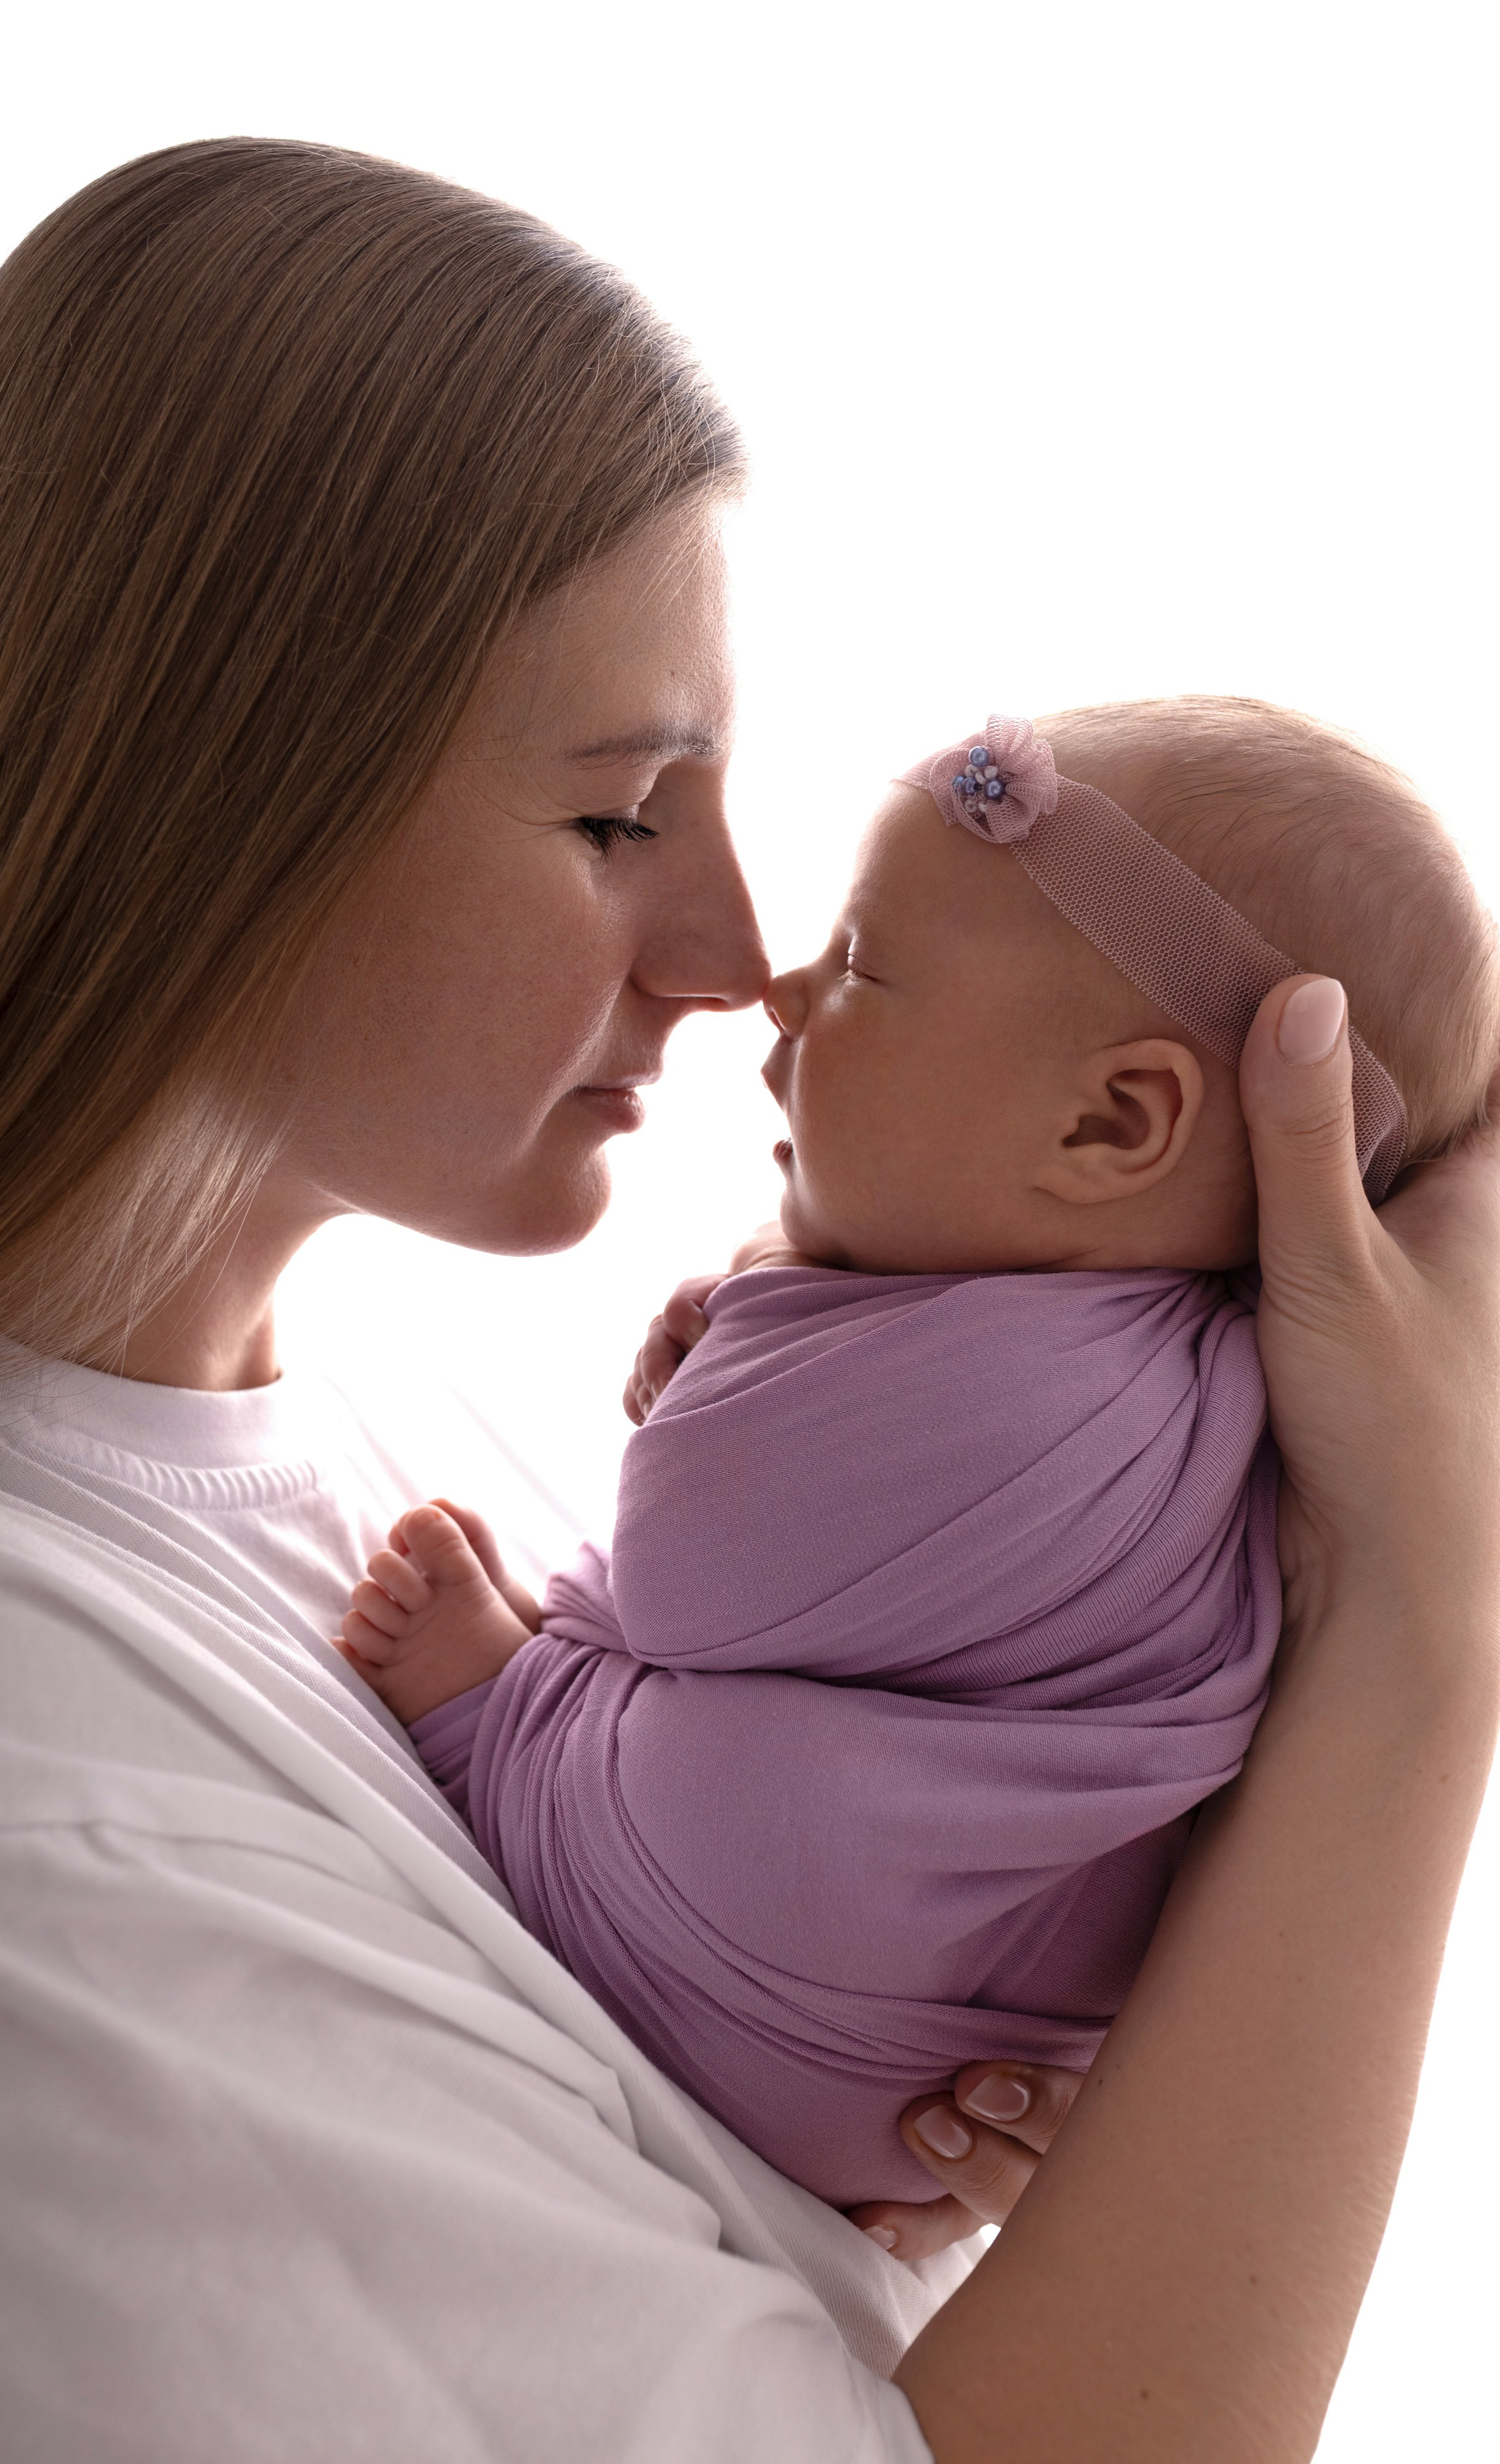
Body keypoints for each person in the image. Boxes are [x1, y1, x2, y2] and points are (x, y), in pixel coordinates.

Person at [0, 137, 1494, 2464]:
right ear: (208, 803)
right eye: (624, 814)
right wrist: (1422, 1647)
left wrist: (916, 2153)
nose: (744, 962)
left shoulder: (430, 1443)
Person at [331, 699, 1498, 2206]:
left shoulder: (1041, 1398)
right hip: (950, 2060)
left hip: (750, 1965)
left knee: (713, 1745)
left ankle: (499, 1720)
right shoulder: (1198, 1383)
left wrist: (760, 1303)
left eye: (864, 967)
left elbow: (689, 1572)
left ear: (1112, 1122)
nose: (782, 990)